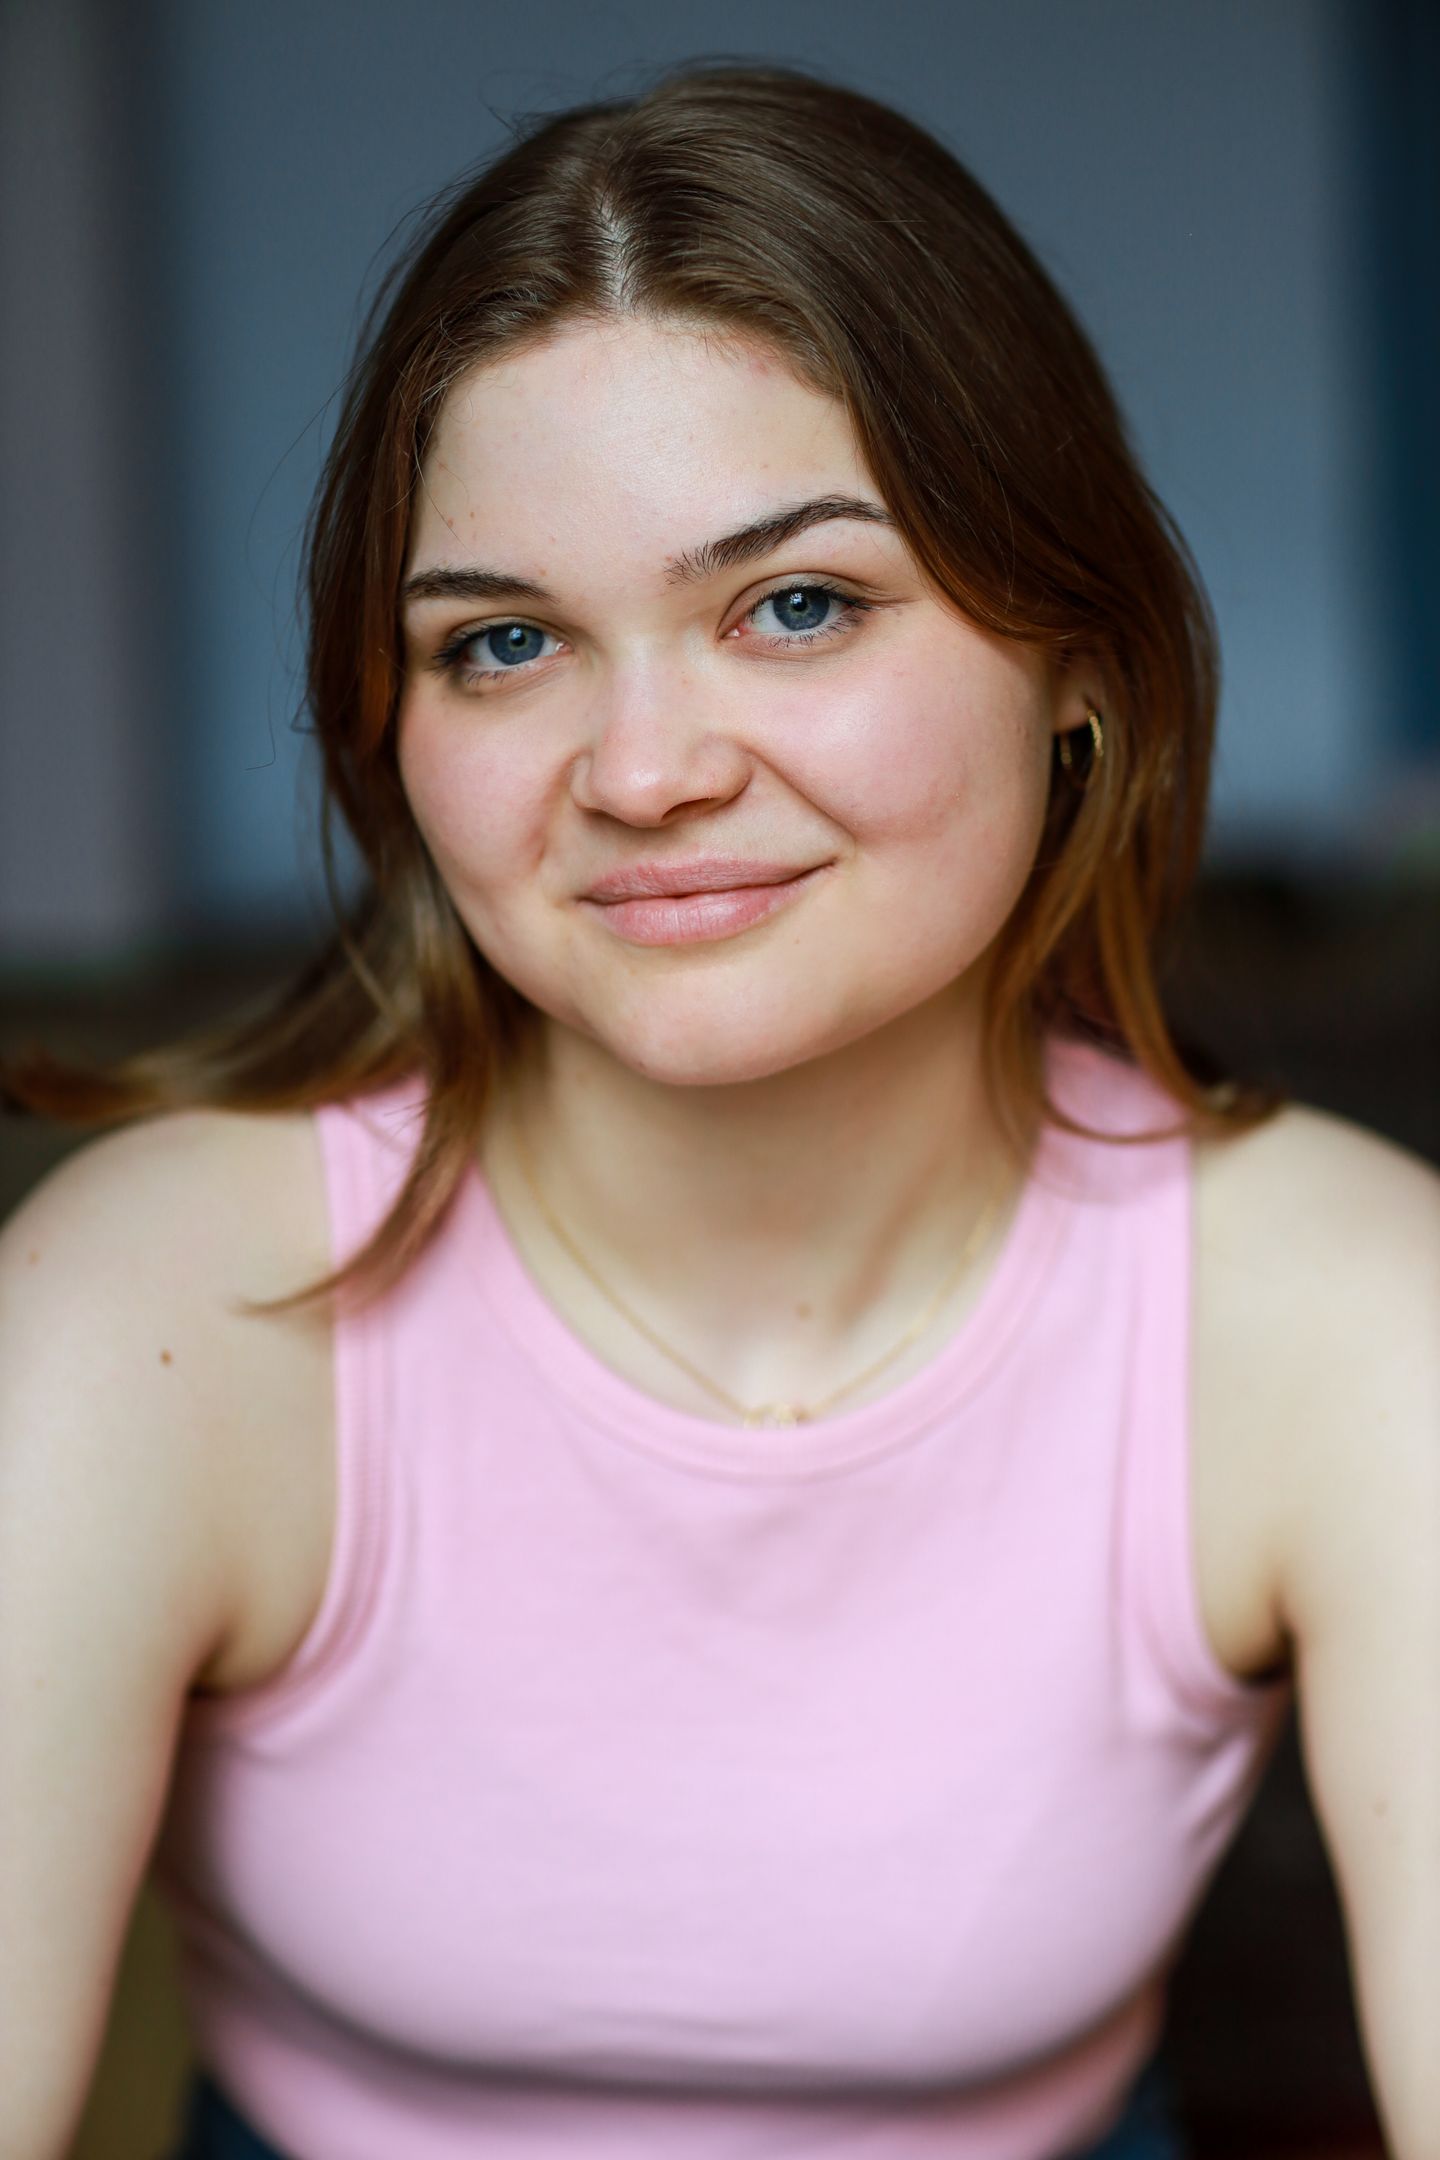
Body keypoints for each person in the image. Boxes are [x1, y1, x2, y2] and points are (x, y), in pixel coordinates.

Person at [1, 59, 1434, 2160]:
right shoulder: (150, 1313)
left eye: (796, 606)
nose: (645, 771)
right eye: (506, 644)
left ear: (1079, 667)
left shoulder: (1347, 1317)